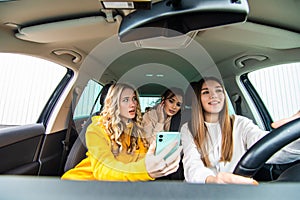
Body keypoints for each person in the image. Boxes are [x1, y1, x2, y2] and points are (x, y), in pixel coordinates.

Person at [181, 76, 300, 184]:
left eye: (219, 90)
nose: (214, 95)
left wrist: (295, 136)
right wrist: (212, 180)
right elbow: (192, 162)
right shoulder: (188, 128)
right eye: (206, 92)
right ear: (198, 99)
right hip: (200, 188)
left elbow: (266, 147)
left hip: (235, 189)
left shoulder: (241, 123)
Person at [62, 83, 182, 181]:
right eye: (125, 100)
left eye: (134, 99)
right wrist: (145, 170)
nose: (133, 104)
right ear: (115, 104)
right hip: (82, 185)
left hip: (119, 187)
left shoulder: (136, 130)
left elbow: (144, 156)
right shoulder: (97, 129)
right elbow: (104, 171)